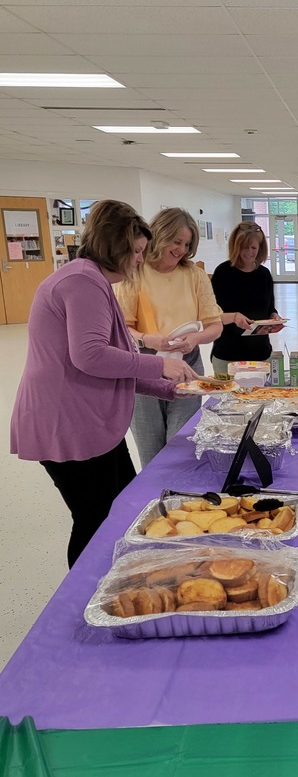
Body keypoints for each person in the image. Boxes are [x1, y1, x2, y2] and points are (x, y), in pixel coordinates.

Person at [10, 200, 198, 568]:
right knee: (97, 521)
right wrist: (159, 364)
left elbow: (109, 364)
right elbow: (91, 356)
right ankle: (82, 600)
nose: (141, 260)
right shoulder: (82, 281)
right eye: (138, 251)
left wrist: (169, 389)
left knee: (121, 509)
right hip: (66, 423)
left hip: (86, 421)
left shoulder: (91, 280)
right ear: (118, 245)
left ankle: (113, 582)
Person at [115, 208, 223, 468]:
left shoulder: (194, 275)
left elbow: (215, 326)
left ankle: (180, 502)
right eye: (176, 242)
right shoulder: (134, 274)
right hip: (143, 366)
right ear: (159, 236)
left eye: (186, 244)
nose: (181, 250)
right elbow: (121, 329)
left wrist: (195, 339)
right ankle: (156, 503)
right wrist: (148, 340)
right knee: (151, 449)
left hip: (187, 365)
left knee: (180, 444)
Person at [209, 221, 285, 375]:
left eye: (254, 248)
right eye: (244, 247)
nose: (249, 252)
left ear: (260, 248)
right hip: (227, 356)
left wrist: (274, 317)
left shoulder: (264, 275)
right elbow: (211, 315)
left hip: (260, 355)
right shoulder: (223, 273)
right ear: (235, 246)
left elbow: (269, 308)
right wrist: (234, 317)